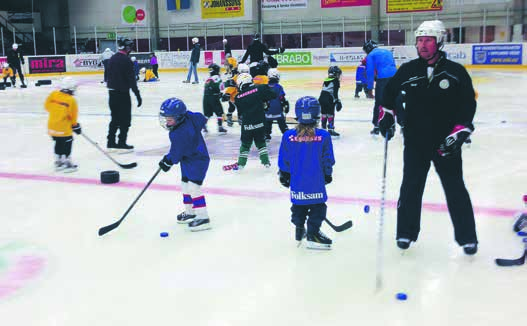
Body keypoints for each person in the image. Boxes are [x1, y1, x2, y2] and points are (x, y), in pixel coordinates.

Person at [379, 20, 478, 255]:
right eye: (420, 40)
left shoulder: (455, 72)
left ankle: (467, 237)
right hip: (415, 141)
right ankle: (406, 232)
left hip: (446, 144)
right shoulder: (408, 70)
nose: (422, 45)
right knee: (411, 187)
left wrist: (460, 132)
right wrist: (387, 116)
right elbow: (388, 94)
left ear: (440, 42)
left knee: (455, 188)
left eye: (428, 40)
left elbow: (468, 106)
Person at [278, 96, 335, 250]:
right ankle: (313, 233)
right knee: (318, 208)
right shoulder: (324, 136)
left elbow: (284, 160)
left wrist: (284, 175)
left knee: (298, 207)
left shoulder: (287, 136)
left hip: (297, 183)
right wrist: (328, 174)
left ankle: (299, 230)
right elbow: (327, 159)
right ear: (317, 114)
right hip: (316, 183)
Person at [158, 97, 212, 231]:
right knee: (185, 185)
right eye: (166, 118)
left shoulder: (179, 133)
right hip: (188, 159)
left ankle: (203, 217)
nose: (167, 122)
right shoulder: (189, 117)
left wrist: (167, 161)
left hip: (198, 160)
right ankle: (190, 212)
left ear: (179, 117)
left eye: (170, 119)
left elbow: (176, 153)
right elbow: (200, 117)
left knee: (193, 187)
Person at [231, 73, 277, 169]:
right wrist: (264, 102)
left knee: (245, 144)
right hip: (260, 122)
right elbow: (273, 94)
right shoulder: (260, 88)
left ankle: (241, 164)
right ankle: (266, 162)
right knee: (261, 143)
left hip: (247, 125)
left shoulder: (238, 97)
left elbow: (241, 113)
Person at [106, 37, 142, 151]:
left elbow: (107, 75)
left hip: (112, 93)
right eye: (130, 46)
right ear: (126, 47)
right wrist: (137, 95)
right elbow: (131, 80)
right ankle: (121, 142)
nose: (131, 48)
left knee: (115, 118)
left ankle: (111, 141)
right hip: (122, 94)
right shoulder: (126, 60)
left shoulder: (112, 58)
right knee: (125, 119)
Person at [45, 77, 82, 173]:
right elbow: (73, 116)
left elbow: (47, 106)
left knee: (58, 142)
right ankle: (67, 162)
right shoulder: (71, 100)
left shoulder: (54, 94)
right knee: (67, 142)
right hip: (64, 128)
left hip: (52, 126)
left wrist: (57, 113)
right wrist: (75, 126)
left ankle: (58, 162)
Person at [363, 39, 397, 135]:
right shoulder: (387, 52)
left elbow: (369, 72)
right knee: (395, 101)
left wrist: (369, 88)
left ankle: (377, 125)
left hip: (383, 79)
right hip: (395, 77)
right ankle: (402, 124)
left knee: (379, 103)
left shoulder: (371, 55)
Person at [264, 68, 289, 142]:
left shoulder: (265, 87)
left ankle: (266, 134)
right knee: (281, 122)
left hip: (268, 110)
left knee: (268, 122)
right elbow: (281, 97)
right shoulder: (279, 87)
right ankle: (285, 132)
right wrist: (285, 104)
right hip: (277, 110)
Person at [202, 63, 227, 134]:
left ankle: (204, 125)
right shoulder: (217, 78)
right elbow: (221, 86)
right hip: (213, 97)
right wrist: (223, 94)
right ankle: (220, 127)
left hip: (206, 98)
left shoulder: (208, 79)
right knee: (219, 112)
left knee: (207, 114)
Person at [318, 65, 343, 137]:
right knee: (330, 114)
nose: (339, 75)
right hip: (329, 98)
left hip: (321, 98)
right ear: (335, 74)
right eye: (338, 74)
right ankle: (331, 129)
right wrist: (337, 101)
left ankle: (323, 129)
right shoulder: (336, 81)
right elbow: (335, 93)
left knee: (324, 113)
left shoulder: (326, 79)